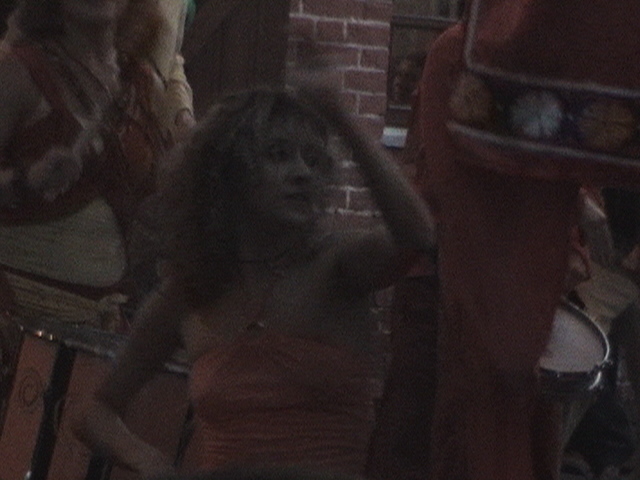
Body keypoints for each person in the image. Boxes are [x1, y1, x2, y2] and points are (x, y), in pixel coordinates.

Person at [74, 81, 436, 478]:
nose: (302, 173)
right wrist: (148, 460)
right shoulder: (191, 291)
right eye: (279, 155)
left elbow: (418, 236)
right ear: (229, 172)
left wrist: (345, 125)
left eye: (314, 161)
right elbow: (94, 410)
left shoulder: (338, 265)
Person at [406, 1, 640, 479]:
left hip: (532, 278)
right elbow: (442, 187)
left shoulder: (551, 59)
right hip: (468, 275)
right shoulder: (458, 55)